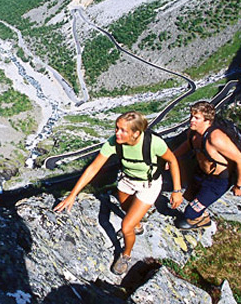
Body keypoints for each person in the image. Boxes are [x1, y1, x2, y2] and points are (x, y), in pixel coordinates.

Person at [53, 111, 183, 276]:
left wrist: (177, 190)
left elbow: (172, 160)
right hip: (126, 180)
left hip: (148, 184)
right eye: (116, 128)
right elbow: (93, 168)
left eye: (122, 130)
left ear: (136, 134)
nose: (117, 133)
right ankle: (137, 225)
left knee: (125, 225)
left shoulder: (154, 143)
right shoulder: (114, 142)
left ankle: (126, 255)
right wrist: (72, 195)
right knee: (126, 209)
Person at [173, 101, 241, 230]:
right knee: (187, 197)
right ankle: (202, 209)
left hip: (218, 181)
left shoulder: (216, 138)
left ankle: (204, 219)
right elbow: (187, 144)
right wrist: (173, 157)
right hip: (201, 173)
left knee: (189, 214)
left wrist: (240, 186)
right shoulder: (192, 133)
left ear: (207, 120)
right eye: (191, 116)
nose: (192, 120)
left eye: (196, 118)